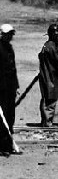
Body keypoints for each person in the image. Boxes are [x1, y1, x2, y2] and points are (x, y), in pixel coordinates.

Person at [0, 24, 20, 155]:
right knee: (1, 118)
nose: (10, 36)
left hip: (10, 87)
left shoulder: (9, 48)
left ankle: (8, 145)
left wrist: (16, 86)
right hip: (0, 87)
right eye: (7, 34)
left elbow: (13, 69)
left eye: (11, 34)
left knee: (9, 116)